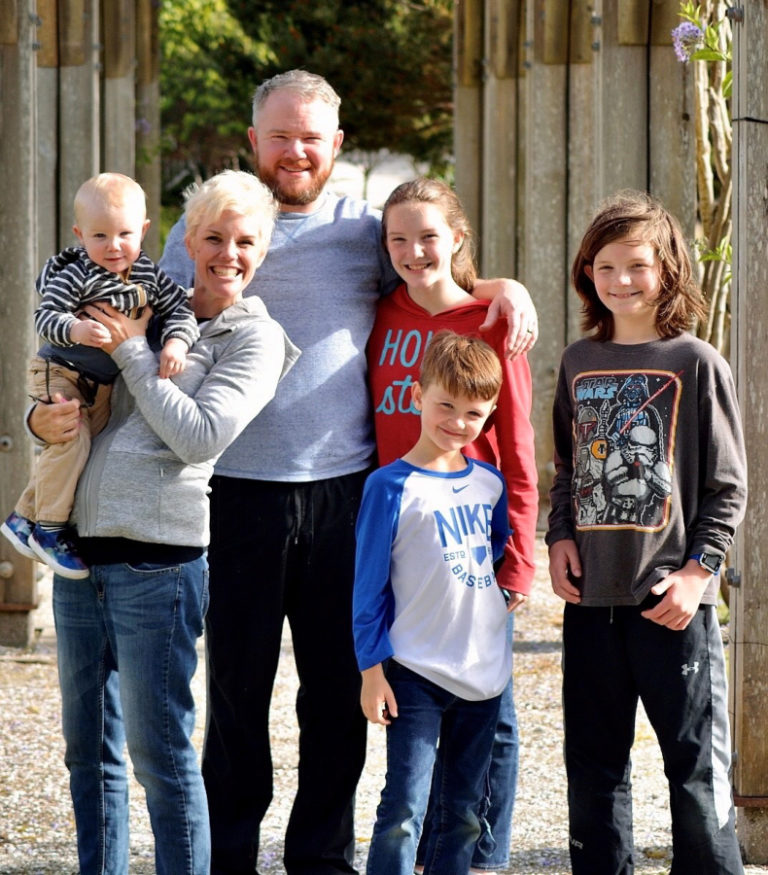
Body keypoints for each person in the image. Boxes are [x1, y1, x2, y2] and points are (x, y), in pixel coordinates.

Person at [159, 69, 538, 875]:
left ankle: (320, 856)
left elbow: (438, 279)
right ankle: (227, 855)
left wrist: (503, 287)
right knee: (235, 692)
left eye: (311, 138)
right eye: (280, 135)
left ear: (335, 146)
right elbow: (152, 318)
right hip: (233, 493)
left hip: (346, 493)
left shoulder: (364, 231)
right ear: (253, 139)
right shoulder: (209, 225)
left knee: (338, 693)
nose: (295, 151)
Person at [27, 170, 300, 875]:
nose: (228, 252)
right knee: (87, 751)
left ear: (264, 251)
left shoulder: (256, 338)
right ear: (185, 240)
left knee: (161, 755)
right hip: (81, 553)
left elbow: (201, 436)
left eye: (245, 241)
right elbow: (73, 394)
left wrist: (131, 353)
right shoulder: (139, 298)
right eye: (213, 237)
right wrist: (38, 417)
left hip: (160, 563)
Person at [546, 190, 747, 874]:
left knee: (693, 771)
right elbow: (567, 467)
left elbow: (728, 487)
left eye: (635, 265)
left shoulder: (695, 362)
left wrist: (698, 574)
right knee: (594, 772)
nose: (620, 280)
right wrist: (559, 537)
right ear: (586, 274)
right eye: (604, 266)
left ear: (667, 268)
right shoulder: (578, 361)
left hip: (671, 605)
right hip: (592, 603)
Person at [367, 177, 538, 873]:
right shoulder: (381, 313)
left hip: (475, 539)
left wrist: (520, 557)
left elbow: (521, 448)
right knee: (416, 699)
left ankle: (482, 856)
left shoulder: (495, 322)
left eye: (429, 236)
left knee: (487, 707)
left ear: (458, 238)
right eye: (398, 239)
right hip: (406, 537)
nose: (413, 251)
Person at [354, 330, 512, 875]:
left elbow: (492, 553)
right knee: (404, 807)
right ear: (417, 395)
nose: (457, 422)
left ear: (488, 416)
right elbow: (368, 585)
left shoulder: (490, 484)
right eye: (445, 405)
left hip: (483, 673)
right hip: (414, 671)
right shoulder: (387, 486)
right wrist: (372, 670)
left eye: (474, 413)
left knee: (466, 811)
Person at [1, 172, 199, 579]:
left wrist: (177, 342)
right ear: (80, 234)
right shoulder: (77, 274)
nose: (113, 247)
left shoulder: (148, 273)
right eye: (100, 236)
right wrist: (75, 329)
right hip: (60, 369)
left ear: (143, 230)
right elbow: (45, 315)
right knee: (72, 439)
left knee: (79, 449)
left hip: (101, 386)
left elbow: (180, 309)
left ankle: (24, 518)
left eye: (125, 234)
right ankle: (51, 530)